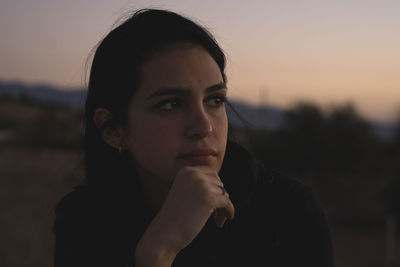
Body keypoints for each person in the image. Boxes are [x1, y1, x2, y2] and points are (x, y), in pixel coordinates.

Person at [53, 9, 333, 267]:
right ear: (114, 130)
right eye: (170, 104)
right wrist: (158, 251)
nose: (204, 126)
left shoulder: (288, 213)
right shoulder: (84, 221)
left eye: (215, 99)